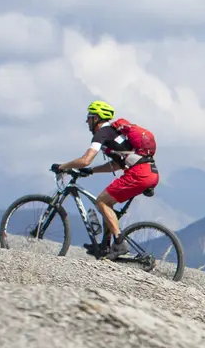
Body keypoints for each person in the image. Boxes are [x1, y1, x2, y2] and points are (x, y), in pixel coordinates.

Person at [53, 100, 159, 257]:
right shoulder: (115, 134)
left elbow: (85, 159)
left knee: (102, 201)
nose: (87, 121)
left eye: (89, 117)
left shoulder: (101, 134)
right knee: (108, 205)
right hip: (150, 172)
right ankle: (105, 246)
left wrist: (63, 166)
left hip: (139, 173)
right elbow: (117, 165)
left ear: (96, 118)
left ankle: (118, 242)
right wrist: (91, 171)